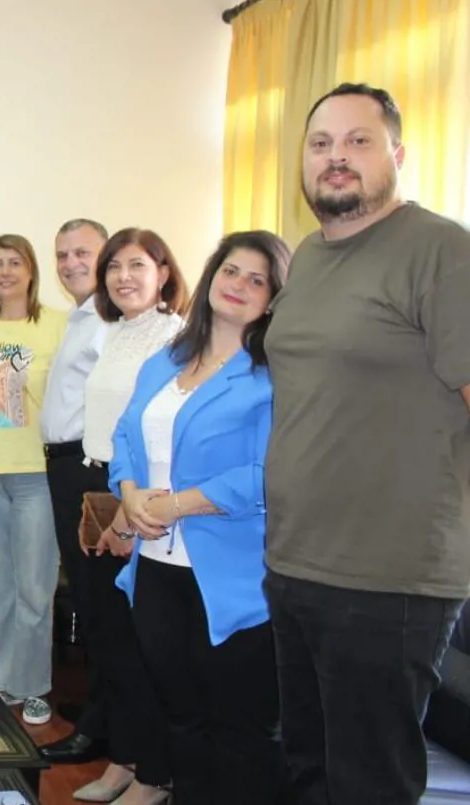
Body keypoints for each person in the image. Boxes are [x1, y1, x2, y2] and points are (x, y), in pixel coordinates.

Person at [264, 82, 470, 805]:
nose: (337, 157)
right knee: (308, 773)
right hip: (295, 563)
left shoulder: (441, 250)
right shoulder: (310, 256)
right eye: (321, 143)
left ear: (398, 155)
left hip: (388, 579)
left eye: (358, 141)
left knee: (367, 787)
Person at [110, 231, 289, 805]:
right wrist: (130, 493)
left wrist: (178, 504)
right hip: (156, 568)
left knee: (238, 727)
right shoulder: (166, 360)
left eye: (257, 280)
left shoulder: (272, 374)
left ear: (274, 298)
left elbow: (270, 470)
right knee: (180, 717)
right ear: (212, 275)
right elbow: (125, 435)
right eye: (231, 271)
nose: (238, 285)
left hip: (233, 576)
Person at [74, 227, 188, 805]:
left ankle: (156, 774)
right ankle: (124, 757)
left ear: (163, 273)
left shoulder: (175, 337)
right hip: (100, 486)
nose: (123, 277)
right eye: (114, 266)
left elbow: (158, 431)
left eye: (137, 265)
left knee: (142, 645)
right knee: (108, 636)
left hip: (137, 499)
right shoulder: (115, 331)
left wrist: (125, 509)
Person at [0, 234, 67, 724]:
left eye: (14, 263)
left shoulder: (57, 325)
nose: (5, 272)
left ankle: (34, 686)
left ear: (31, 271)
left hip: (34, 474)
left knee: (34, 589)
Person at [37, 218, 113, 764]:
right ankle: (101, 717)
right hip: (66, 469)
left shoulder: (110, 320)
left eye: (82, 252)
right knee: (90, 601)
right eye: (62, 255)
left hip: (93, 472)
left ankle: (103, 729)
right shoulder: (79, 318)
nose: (70, 264)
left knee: (102, 603)